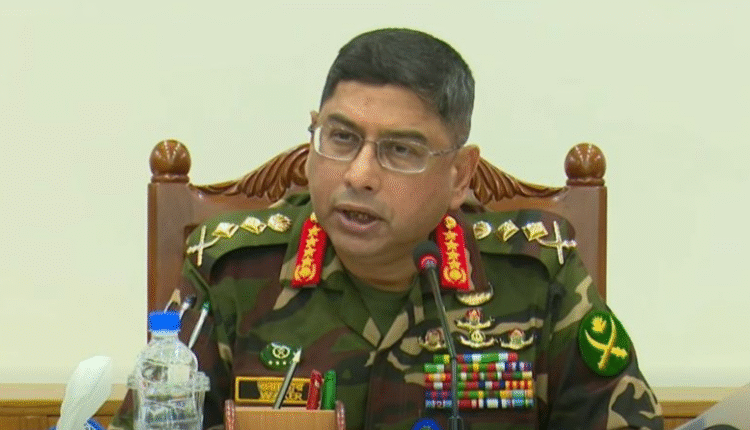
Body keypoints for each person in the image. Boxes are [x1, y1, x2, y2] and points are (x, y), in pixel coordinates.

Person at [111, 28, 663, 430]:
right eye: (341, 138)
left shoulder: (535, 275)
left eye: (400, 150)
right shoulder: (230, 271)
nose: (359, 175)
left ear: (459, 174)